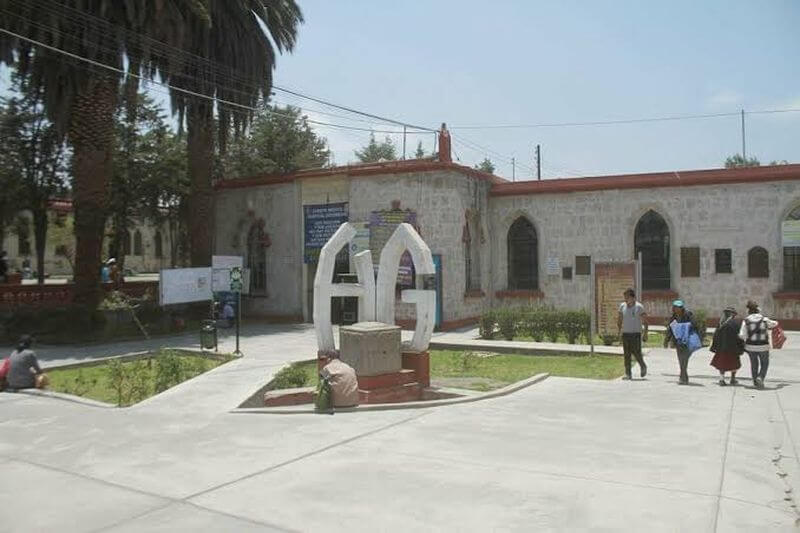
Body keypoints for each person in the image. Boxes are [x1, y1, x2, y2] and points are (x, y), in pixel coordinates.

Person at [739, 300, 778, 389]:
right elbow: (774, 324)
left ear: (748, 310)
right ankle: (760, 377)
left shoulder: (746, 321)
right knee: (765, 363)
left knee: (754, 364)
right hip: (763, 346)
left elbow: (742, 335)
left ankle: (755, 382)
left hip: (750, 346)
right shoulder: (764, 319)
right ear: (758, 310)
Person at [663, 300, 700, 385]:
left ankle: (683, 376)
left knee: (685, 359)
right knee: (681, 359)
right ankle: (683, 376)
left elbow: (695, 325)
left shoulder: (688, 315)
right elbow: (670, 329)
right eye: (675, 307)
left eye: (678, 307)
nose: (676, 309)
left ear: (682, 308)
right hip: (678, 341)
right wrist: (666, 340)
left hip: (687, 341)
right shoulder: (674, 317)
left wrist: (685, 326)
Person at [617, 288, 648, 379]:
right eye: (625, 297)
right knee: (627, 354)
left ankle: (643, 366)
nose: (625, 299)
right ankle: (628, 373)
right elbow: (619, 319)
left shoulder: (639, 307)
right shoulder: (622, 306)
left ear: (632, 297)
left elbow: (645, 321)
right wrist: (619, 331)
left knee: (636, 352)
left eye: (627, 297)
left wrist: (645, 333)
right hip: (626, 333)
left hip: (636, 334)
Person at [710, 306, 745, 386]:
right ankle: (732, 379)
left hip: (722, 348)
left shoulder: (720, 324)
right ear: (732, 315)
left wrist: (714, 347)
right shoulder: (735, 323)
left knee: (722, 364)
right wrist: (741, 346)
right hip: (733, 348)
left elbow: (715, 336)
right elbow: (739, 336)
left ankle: (722, 379)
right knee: (734, 364)